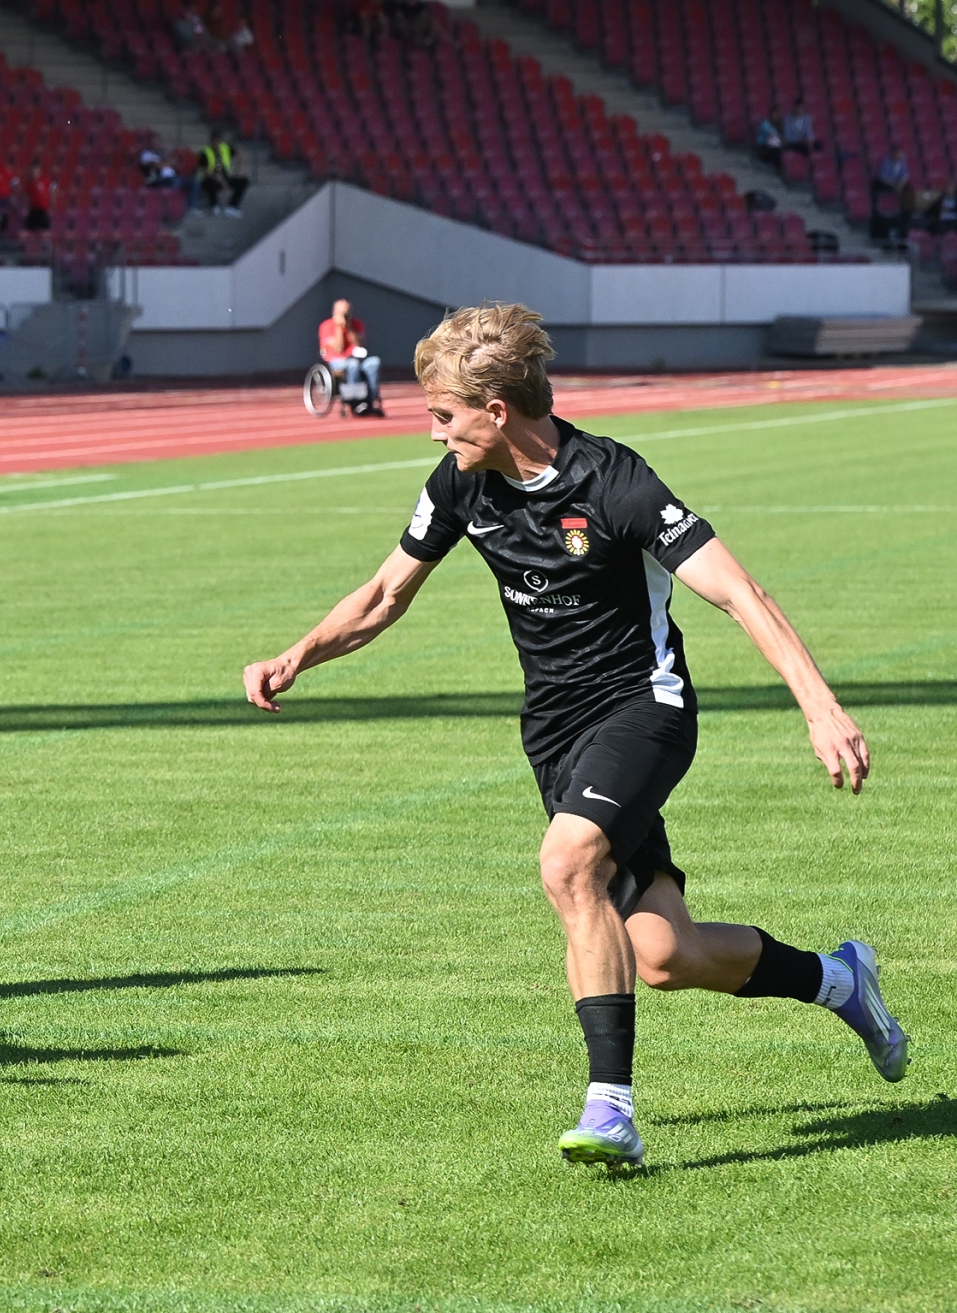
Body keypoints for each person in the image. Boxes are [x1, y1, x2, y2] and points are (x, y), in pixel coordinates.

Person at [242, 303, 906, 1169]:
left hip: (644, 707)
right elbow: (383, 595)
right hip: (555, 731)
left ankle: (611, 1108)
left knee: (566, 864)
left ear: (496, 411)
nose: (433, 430)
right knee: (665, 953)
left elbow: (740, 592)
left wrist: (821, 707)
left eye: (443, 414)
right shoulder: (460, 483)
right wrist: (297, 655)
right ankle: (840, 978)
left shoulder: (615, 482)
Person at [319, 298, 382, 417]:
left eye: (348, 312)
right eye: (343, 313)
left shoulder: (356, 324)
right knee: (353, 364)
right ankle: (356, 401)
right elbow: (339, 348)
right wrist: (339, 328)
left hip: (356, 358)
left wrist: (349, 328)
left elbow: (359, 345)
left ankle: (370, 401)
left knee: (374, 362)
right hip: (336, 360)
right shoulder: (326, 326)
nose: (346, 315)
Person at [199, 130, 248, 217]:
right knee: (210, 183)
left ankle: (232, 206)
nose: (217, 144)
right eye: (215, 142)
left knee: (243, 181)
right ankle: (214, 205)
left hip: (225, 177)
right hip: (211, 178)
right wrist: (219, 179)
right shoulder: (205, 152)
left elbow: (241, 154)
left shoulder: (226, 148)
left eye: (219, 142)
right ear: (211, 141)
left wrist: (237, 171)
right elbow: (205, 170)